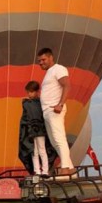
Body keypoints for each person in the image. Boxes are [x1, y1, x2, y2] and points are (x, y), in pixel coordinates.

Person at [37, 47, 75, 175]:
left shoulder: (58, 69)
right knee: (54, 141)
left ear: (51, 57)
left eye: (43, 59)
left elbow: (67, 85)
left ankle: (64, 168)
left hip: (55, 110)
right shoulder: (48, 73)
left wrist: (60, 104)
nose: (41, 62)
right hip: (47, 111)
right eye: (39, 61)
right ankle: (70, 167)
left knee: (59, 138)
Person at [18, 80, 57, 176]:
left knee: (42, 150)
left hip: (39, 130)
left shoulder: (40, 102)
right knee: (33, 151)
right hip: (31, 130)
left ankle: (45, 170)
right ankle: (37, 171)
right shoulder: (26, 103)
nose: (29, 94)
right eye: (28, 92)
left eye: (31, 92)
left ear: (36, 92)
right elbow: (25, 117)